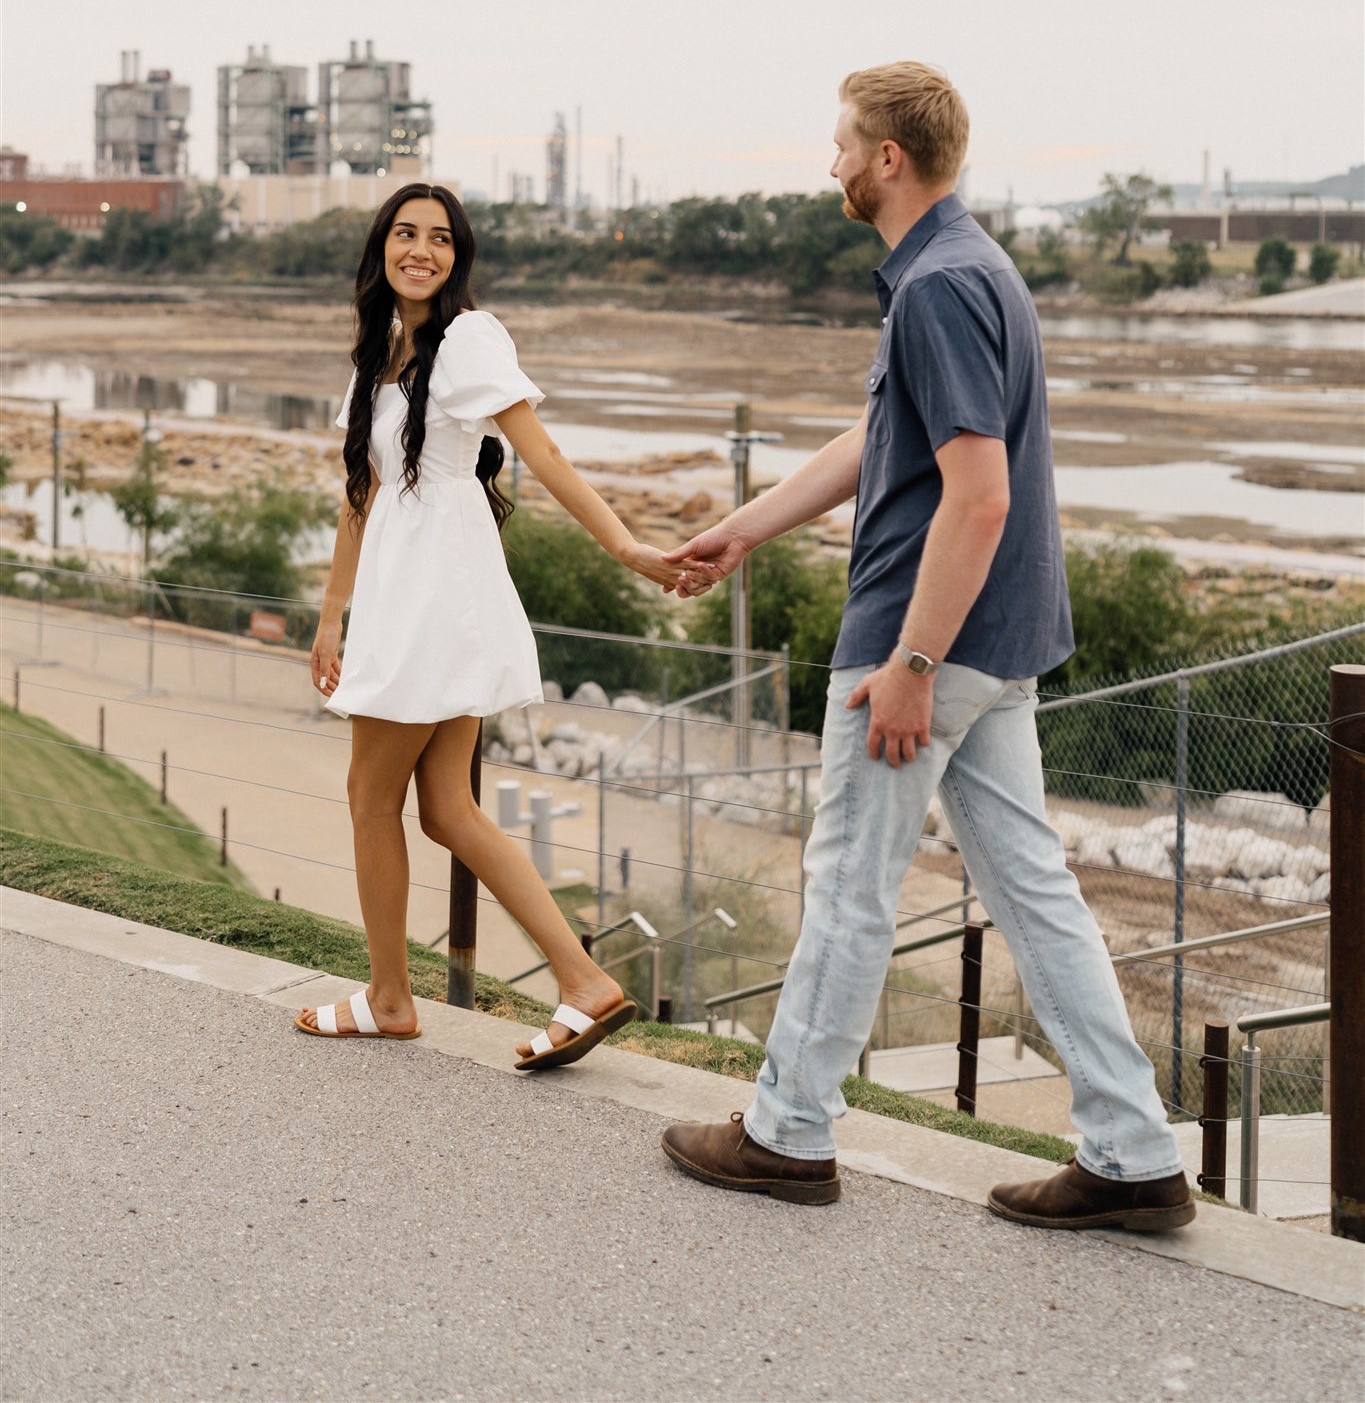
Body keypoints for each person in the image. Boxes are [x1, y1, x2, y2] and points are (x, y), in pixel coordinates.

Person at [658, 64, 1194, 1231]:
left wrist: (908, 664)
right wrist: (746, 528)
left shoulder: (939, 286)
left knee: (850, 886)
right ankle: (1135, 1150)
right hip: (994, 646)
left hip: (924, 645)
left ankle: (786, 1131)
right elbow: (881, 436)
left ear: (888, 157)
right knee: (1036, 893)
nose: (833, 163)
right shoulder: (968, 266)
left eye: (843, 144)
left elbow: (979, 495)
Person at [296, 181, 684, 1070]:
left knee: (370, 799)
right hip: (412, 594)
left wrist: (626, 547)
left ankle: (390, 999)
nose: (421, 250)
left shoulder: (467, 338)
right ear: (381, 248)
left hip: (436, 596)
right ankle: (584, 981)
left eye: (440, 238)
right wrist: (330, 616)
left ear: (457, 257)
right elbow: (360, 496)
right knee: (446, 808)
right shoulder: (374, 359)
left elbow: (541, 451)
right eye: (405, 233)